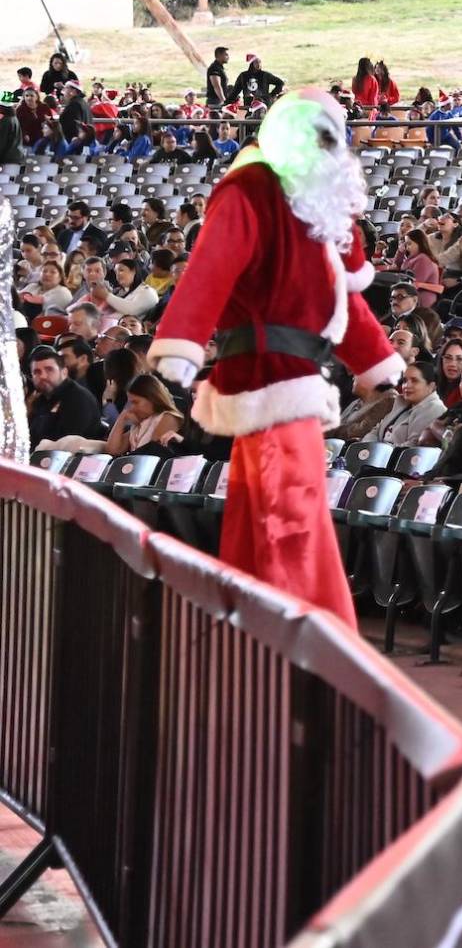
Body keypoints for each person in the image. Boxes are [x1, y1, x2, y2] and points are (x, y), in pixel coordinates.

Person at [147, 92, 401, 628]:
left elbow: (341, 301)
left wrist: (377, 360)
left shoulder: (309, 209)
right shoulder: (254, 191)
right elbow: (210, 268)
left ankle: (259, 635)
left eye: (330, 138)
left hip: (294, 383)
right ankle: (307, 641)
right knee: (289, 516)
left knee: (262, 515)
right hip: (269, 380)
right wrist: (182, 341)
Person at [26, 344, 102, 446]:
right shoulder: (41, 398)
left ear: (64, 372)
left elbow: (66, 443)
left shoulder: (77, 399)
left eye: (49, 369)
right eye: (37, 372)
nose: (43, 376)